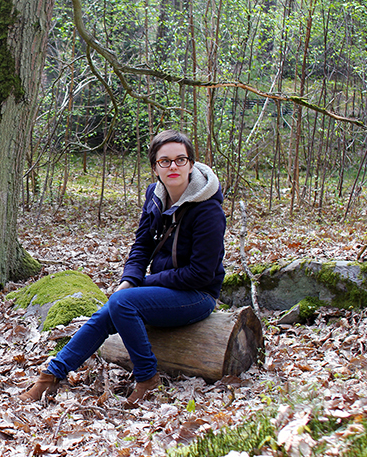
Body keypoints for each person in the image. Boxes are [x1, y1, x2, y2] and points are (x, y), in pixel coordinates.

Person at [18, 130, 226, 405]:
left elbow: (200, 273)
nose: (173, 166)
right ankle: (51, 375)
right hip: (166, 288)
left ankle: (147, 378)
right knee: (112, 308)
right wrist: (129, 280)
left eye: (180, 159)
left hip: (198, 295)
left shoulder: (208, 210)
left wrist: (144, 285)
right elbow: (141, 246)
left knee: (123, 304)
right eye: (165, 161)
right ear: (155, 167)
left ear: (190, 164)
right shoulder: (155, 195)